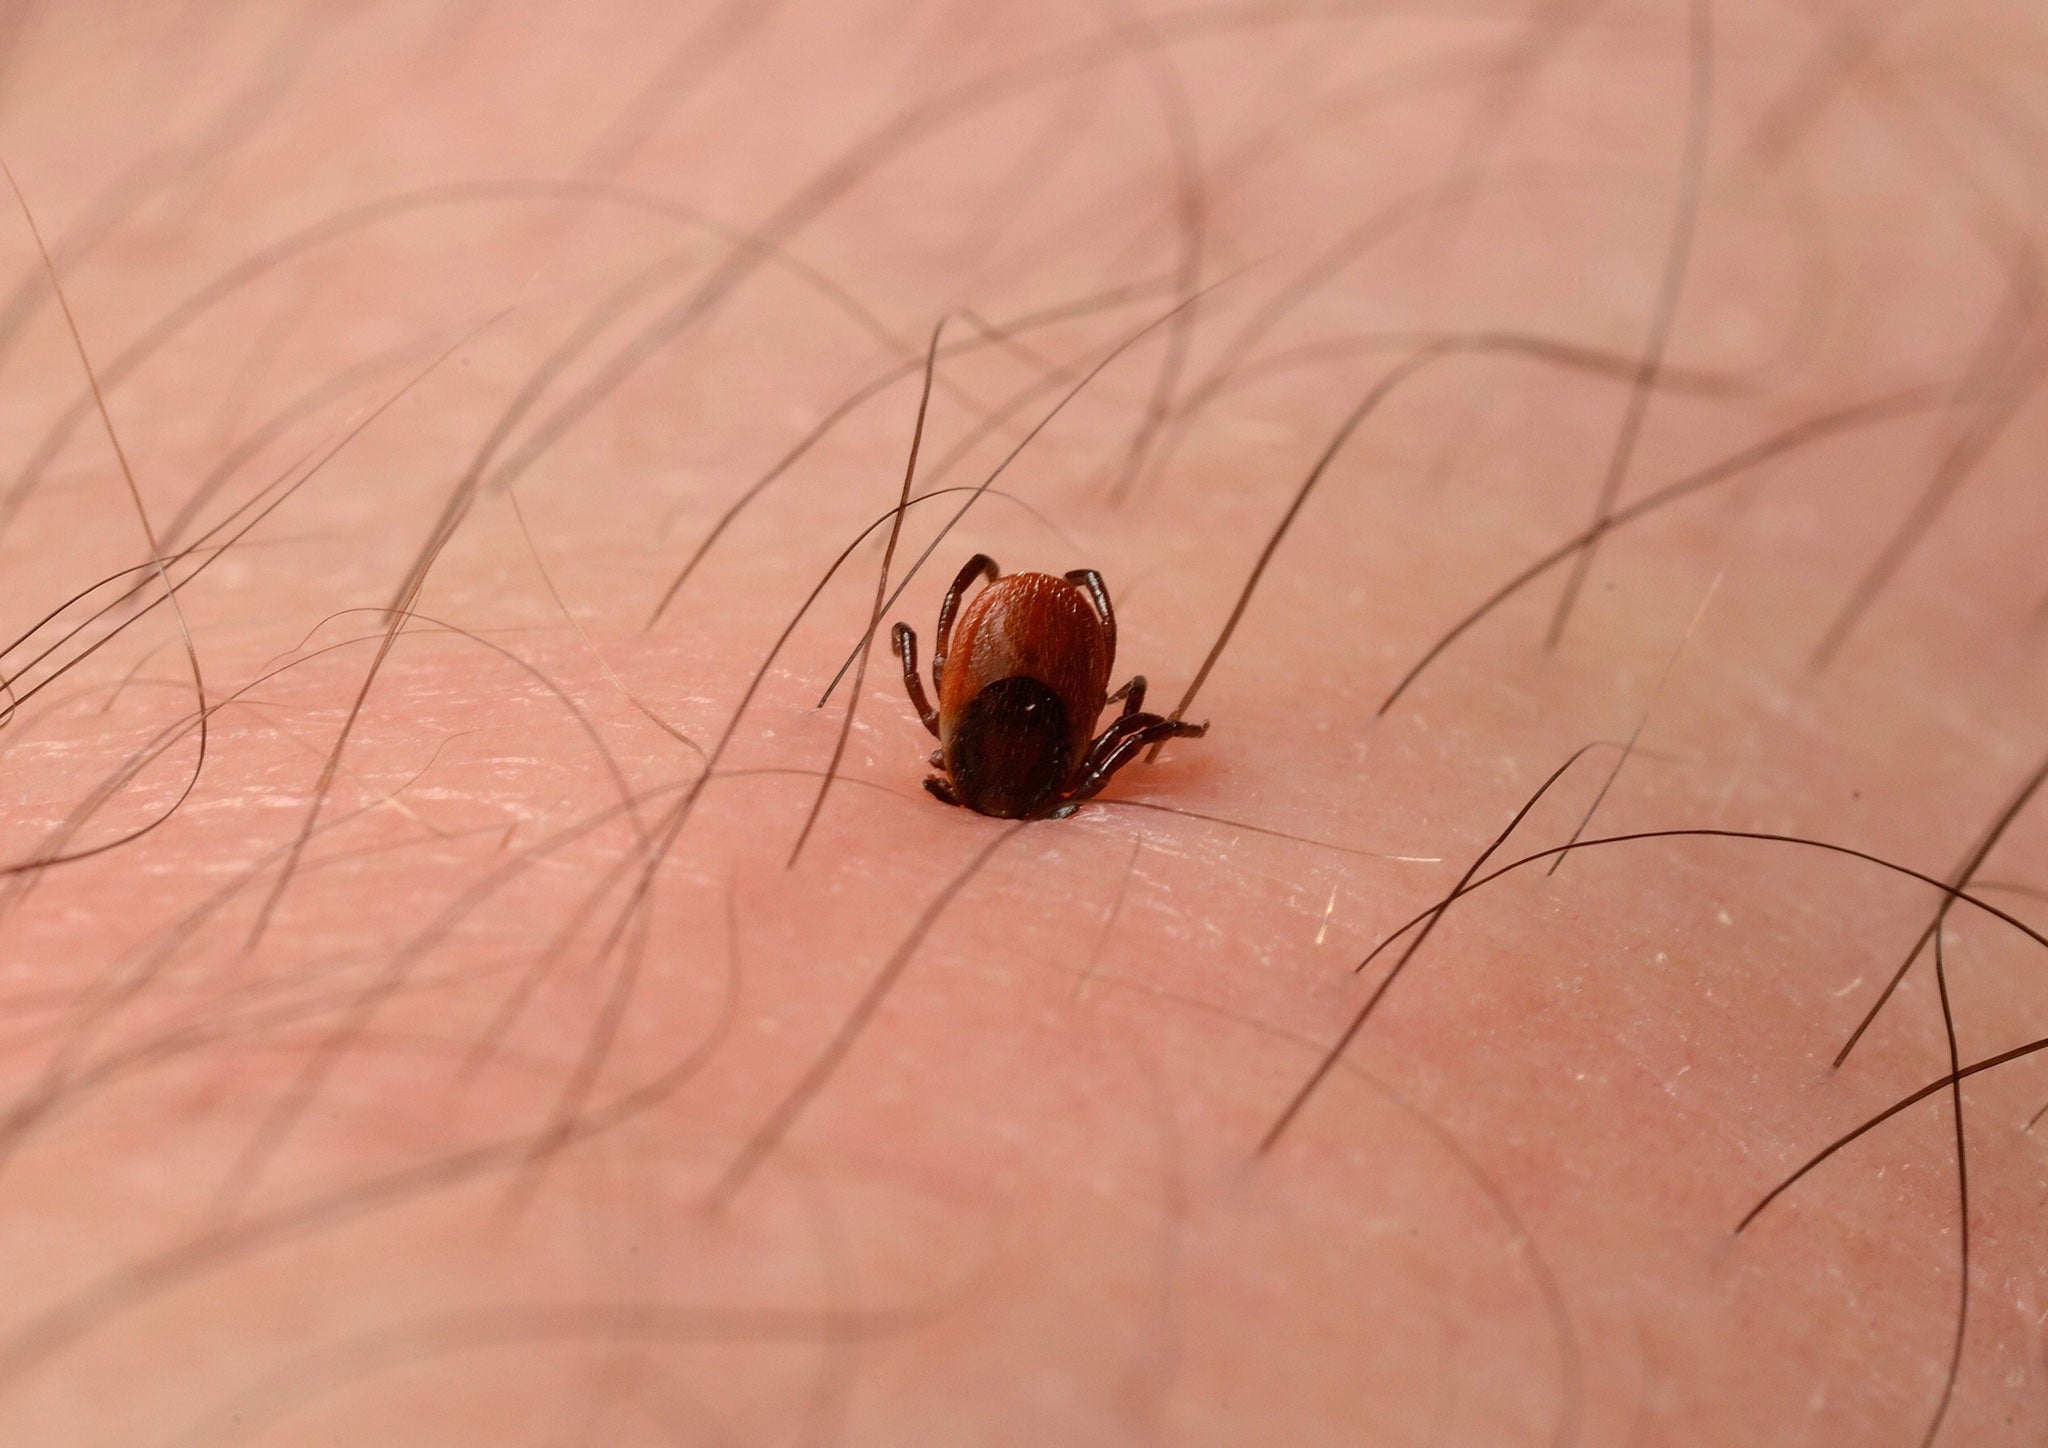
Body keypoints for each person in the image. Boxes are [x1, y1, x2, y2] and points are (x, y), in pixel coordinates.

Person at [0, 0, 2040, 1442]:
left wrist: (1011, 697)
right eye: (1030, 734)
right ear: (1041, 729)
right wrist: (1096, 730)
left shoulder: (993, 706)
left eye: (1007, 730)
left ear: (995, 720)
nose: (1018, 747)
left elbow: (1021, 684)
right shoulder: (1059, 717)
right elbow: (1098, 699)